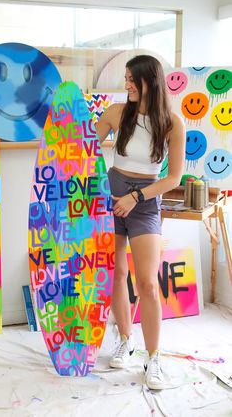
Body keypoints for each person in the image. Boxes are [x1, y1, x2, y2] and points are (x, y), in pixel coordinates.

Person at [96, 54, 185, 390]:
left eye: (133, 79)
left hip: (144, 202)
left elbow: (173, 177)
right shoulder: (117, 113)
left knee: (146, 283)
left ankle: (154, 357)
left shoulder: (173, 123)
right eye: (126, 78)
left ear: (152, 81)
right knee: (116, 273)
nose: (127, 85)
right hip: (111, 194)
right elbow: (82, 144)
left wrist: (136, 197)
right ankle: (124, 338)